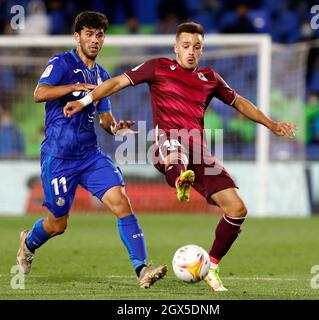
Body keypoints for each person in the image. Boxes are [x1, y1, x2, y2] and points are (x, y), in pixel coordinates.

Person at [64, 22, 296, 292]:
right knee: (176, 150)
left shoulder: (210, 78)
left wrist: (272, 124)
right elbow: (116, 82)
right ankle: (179, 180)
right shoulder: (157, 67)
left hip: (200, 153)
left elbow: (240, 102)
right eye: (186, 46)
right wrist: (83, 102)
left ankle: (211, 266)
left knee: (237, 208)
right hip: (166, 142)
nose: (191, 51)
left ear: (202, 50)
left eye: (197, 47)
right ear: (176, 47)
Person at [16, 11, 167, 289]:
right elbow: (39, 93)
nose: (94, 40)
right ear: (77, 37)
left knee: (122, 202)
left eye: (99, 35)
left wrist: (117, 128)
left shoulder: (102, 74)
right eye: (88, 34)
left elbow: (105, 119)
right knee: (58, 224)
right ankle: (28, 242)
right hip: (59, 157)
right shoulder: (62, 62)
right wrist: (73, 87)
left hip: (90, 156)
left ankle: (142, 269)